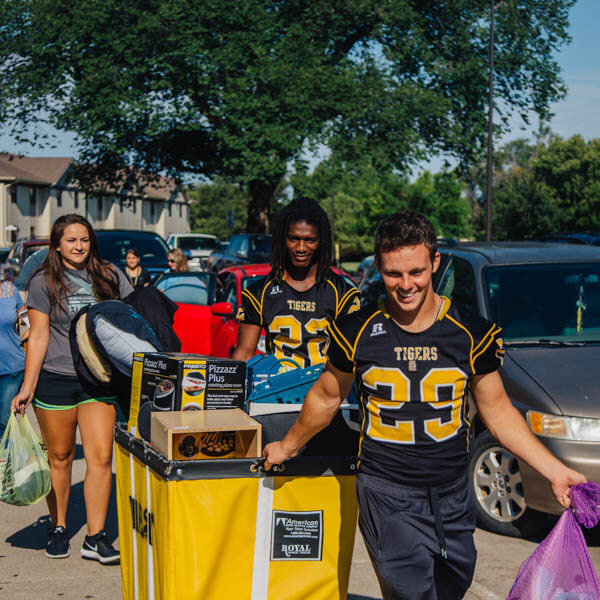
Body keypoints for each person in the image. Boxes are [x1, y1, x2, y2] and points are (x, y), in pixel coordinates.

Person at [262, 211, 586, 600]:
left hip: (452, 491)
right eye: (393, 274)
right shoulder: (357, 330)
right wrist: (289, 445)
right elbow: (326, 396)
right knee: (411, 592)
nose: (406, 285)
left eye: (416, 272)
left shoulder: (470, 332)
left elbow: (498, 411)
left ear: (435, 262)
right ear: (379, 267)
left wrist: (554, 470)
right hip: (387, 491)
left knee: (451, 587)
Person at [11, 214, 133, 564]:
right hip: (56, 380)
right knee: (60, 459)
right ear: (57, 244)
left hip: (100, 381)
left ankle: (95, 536)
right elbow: (38, 336)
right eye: (71, 240)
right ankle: (59, 526)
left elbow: (128, 323)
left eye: (84, 239)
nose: (78, 246)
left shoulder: (110, 275)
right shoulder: (43, 282)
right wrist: (28, 387)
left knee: (100, 458)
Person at [232, 197, 360, 366]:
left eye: (310, 240)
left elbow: (352, 358)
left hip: (324, 389)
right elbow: (244, 353)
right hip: (277, 389)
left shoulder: (343, 294)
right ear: (282, 239)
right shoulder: (259, 293)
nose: (300, 248)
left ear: (322, 242)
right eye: (293, 239)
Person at [0, 274, 26, 439]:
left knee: (4, 422)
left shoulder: (9, 289)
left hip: (12, 368)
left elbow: (27, 318)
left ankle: (3, 461)